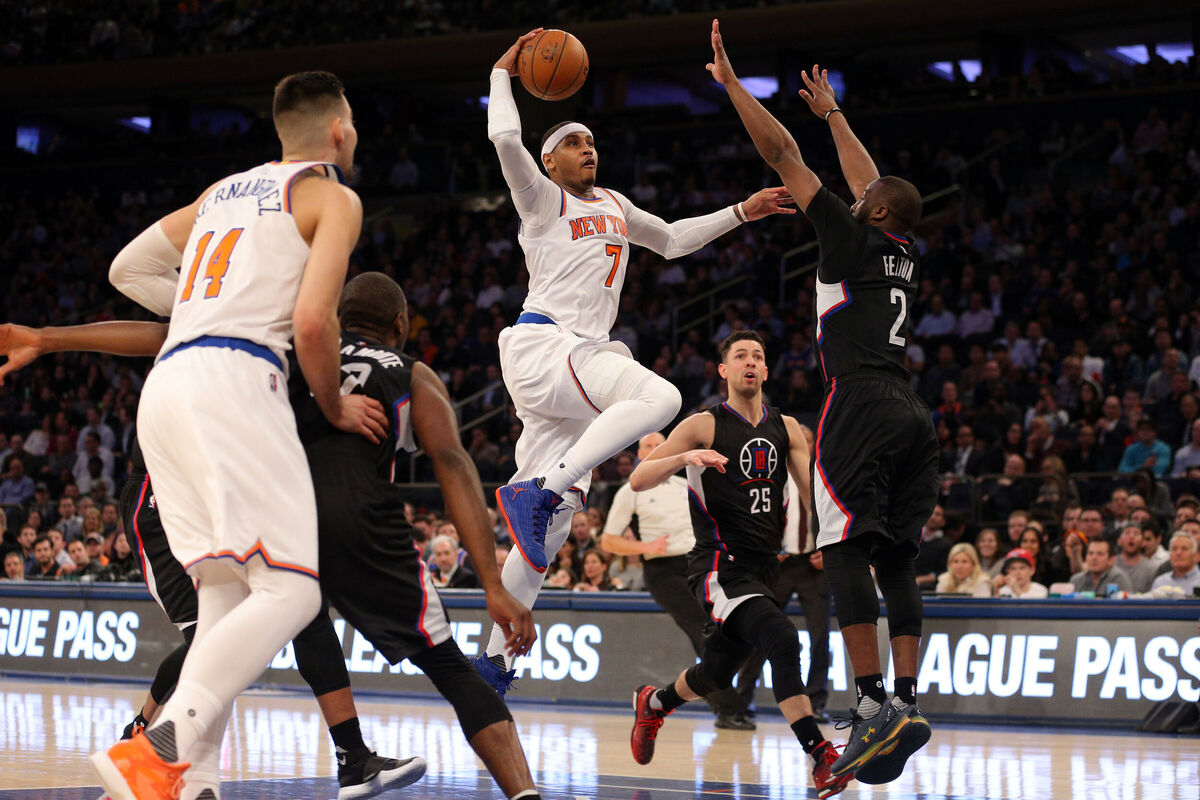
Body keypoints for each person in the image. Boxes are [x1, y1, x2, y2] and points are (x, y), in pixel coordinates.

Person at [1, 274, 545, 799]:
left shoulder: (286, 342)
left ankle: (212, 756)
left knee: (268, 618)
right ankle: (158, 744)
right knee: (249, 631)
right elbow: (452, 463)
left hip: (261, 502)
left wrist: (48, 339)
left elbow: (159, 324)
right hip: (275, 507)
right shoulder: (401, 369)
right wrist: (493, 584)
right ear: (400, 325)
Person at [84, 70, 394, 800]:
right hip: (236, 380)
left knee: (223, 595)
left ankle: (195, 782)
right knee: (293, 592)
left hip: (167, 388)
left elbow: (126, 268)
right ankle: (157, 744)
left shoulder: (222, 193)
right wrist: (335, 406)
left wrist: (202, 310)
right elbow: (314, 323)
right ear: (339, 131)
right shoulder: (332, 196)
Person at [474, 28, 795, 693]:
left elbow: (672, 240)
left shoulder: (616, 205)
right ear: (549, 161)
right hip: (547, 346)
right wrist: (503, 72)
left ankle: (494, 661)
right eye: (573, 143)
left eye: (591, 141)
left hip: (570, 367)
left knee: (545, 537)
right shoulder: (543, 199)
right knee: (661, 398)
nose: (587, 148)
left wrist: (742, 211)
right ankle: (541, 488)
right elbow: (505, 138)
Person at [706, 22, 935, 784]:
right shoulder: (902, 251)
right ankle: (905, 700)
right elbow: (876, 184)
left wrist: (734, 87)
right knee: (897, 557)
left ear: (873, 213)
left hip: (860, 402)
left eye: (865, 200)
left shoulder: (850, 237)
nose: (856, 195)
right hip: (912, 411)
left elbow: (782, 154)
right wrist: (833, 112)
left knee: (843, 549)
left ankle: (869, 703)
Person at [625, 331, 849, 799]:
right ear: (724, 370)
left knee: (716, 672)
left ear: (766, 371)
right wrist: (685, 456)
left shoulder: (788, 428)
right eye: (740, 355)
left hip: (766, 567)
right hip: (719, 566)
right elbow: (639, 478)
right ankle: (819, 755)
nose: (750, 362)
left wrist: (844, 544)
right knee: (783, 639)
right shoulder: (702, 425)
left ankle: (655, 702)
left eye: (758, 356)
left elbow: (814, 499)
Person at [601, 431, 755, 729]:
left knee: (727, 627)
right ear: (639, 454)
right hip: (662, 571)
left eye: (660, 445)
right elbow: (608, 540)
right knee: (703, 629)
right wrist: (646, 547)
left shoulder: (685, 484)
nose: (654, 449)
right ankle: (728, 708)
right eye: (648, 446)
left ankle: (731, 701)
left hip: (699, 563)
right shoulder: (632, 490)